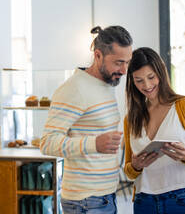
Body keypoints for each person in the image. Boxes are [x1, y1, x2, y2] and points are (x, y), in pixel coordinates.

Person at [40, 25, 133, 213]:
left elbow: (95, 131)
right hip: (85, 201)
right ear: (98, 56)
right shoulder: (74, 89)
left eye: (127, 62)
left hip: (104, 196)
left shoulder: (106, 84)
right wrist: (94, 144)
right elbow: (47, 143)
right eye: (118, 62)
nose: (124, 70)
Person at [123, 47, 185, 214]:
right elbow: (129, 171)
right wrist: (135, 166)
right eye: (139, 80)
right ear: (132, 82)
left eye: (151, 77)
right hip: (144, 202)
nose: (147, 85)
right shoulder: (131, 119)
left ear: (160, 74)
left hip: (184, 198)